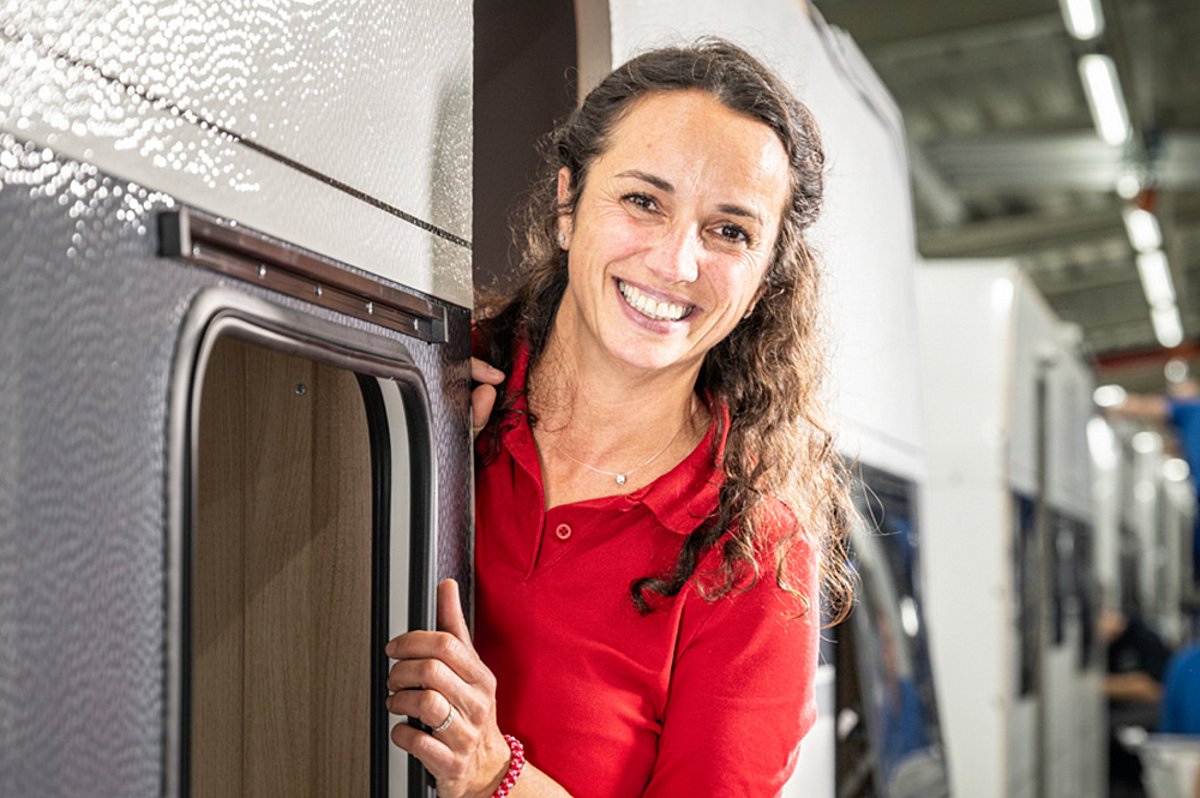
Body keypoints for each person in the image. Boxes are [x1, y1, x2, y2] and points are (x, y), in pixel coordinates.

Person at [383, 39, 854, 797]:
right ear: (569, 203)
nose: (676, 263)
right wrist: (411, 447)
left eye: (729, 231)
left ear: (767, 274)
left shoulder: (753, 555)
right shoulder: (433, 386)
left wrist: (493, 773)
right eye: (644, 201)